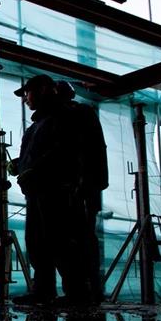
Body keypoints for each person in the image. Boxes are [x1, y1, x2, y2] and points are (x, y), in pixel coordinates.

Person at [10, 74, 90, 306]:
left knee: (61, 240)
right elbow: (37, 155)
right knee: (38, 242)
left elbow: (64, 151)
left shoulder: (64, 117)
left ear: (44, 89)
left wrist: (33, 169)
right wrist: (19, 164)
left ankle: (76, 293)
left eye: (27, 93)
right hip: (36, 191)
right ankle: (43, 290)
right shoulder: (37, 126)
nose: (25, 98)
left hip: (56, 189)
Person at [56, 80, 108, 302]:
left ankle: (83, 290)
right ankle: (87, 290)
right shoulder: (83, 113)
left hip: (82, 187)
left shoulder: (75, 114)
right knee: (83, 238)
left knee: (79, 239)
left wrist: (78, 183)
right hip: (87, 185)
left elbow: (77, 151)